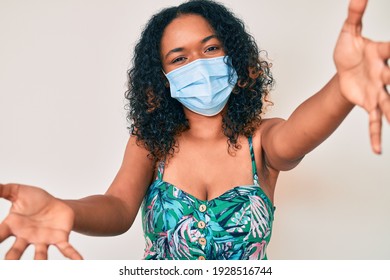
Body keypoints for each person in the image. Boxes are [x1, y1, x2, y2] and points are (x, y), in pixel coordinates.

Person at [0, 0, 389, 260]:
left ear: (236, 59)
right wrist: (66, 208)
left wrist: (342, 86)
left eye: (211, 49)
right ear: (163, 77)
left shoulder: (264, 141)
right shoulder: (151, 141)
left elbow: (299, 135)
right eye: (179, 57)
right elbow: (117, 208)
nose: (198, 64)